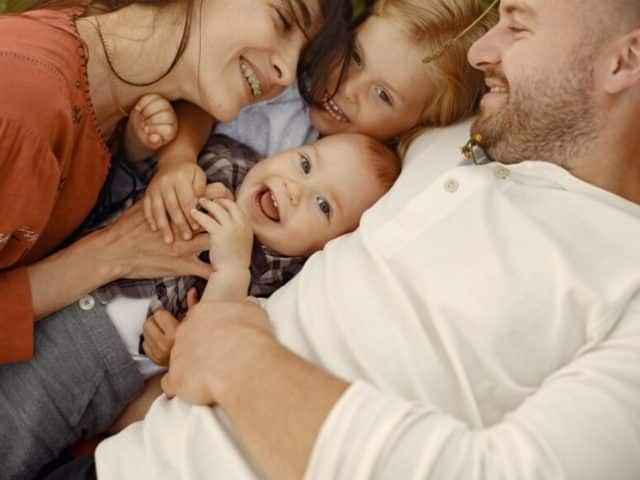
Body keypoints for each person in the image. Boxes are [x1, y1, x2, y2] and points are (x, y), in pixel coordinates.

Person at [78, 0, 638, 478]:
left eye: (519, 24)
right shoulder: (473, 131)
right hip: (127, 454)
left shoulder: (626, 294)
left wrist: (235, 357)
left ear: (626, 60)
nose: (481, 53)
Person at [0, 0, 351, 365]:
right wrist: (109, 254)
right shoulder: (24, 114)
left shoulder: (120, 96)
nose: (287, 74)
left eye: (302, 61)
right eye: (283, 18)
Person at [130, 0, 497, 245]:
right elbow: (201, 110)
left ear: (414, 126)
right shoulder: (283, 82)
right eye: (355, 56)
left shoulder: (361, 186)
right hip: (144, 195)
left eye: (383, 95)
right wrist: (178, 160)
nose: (347, 88)